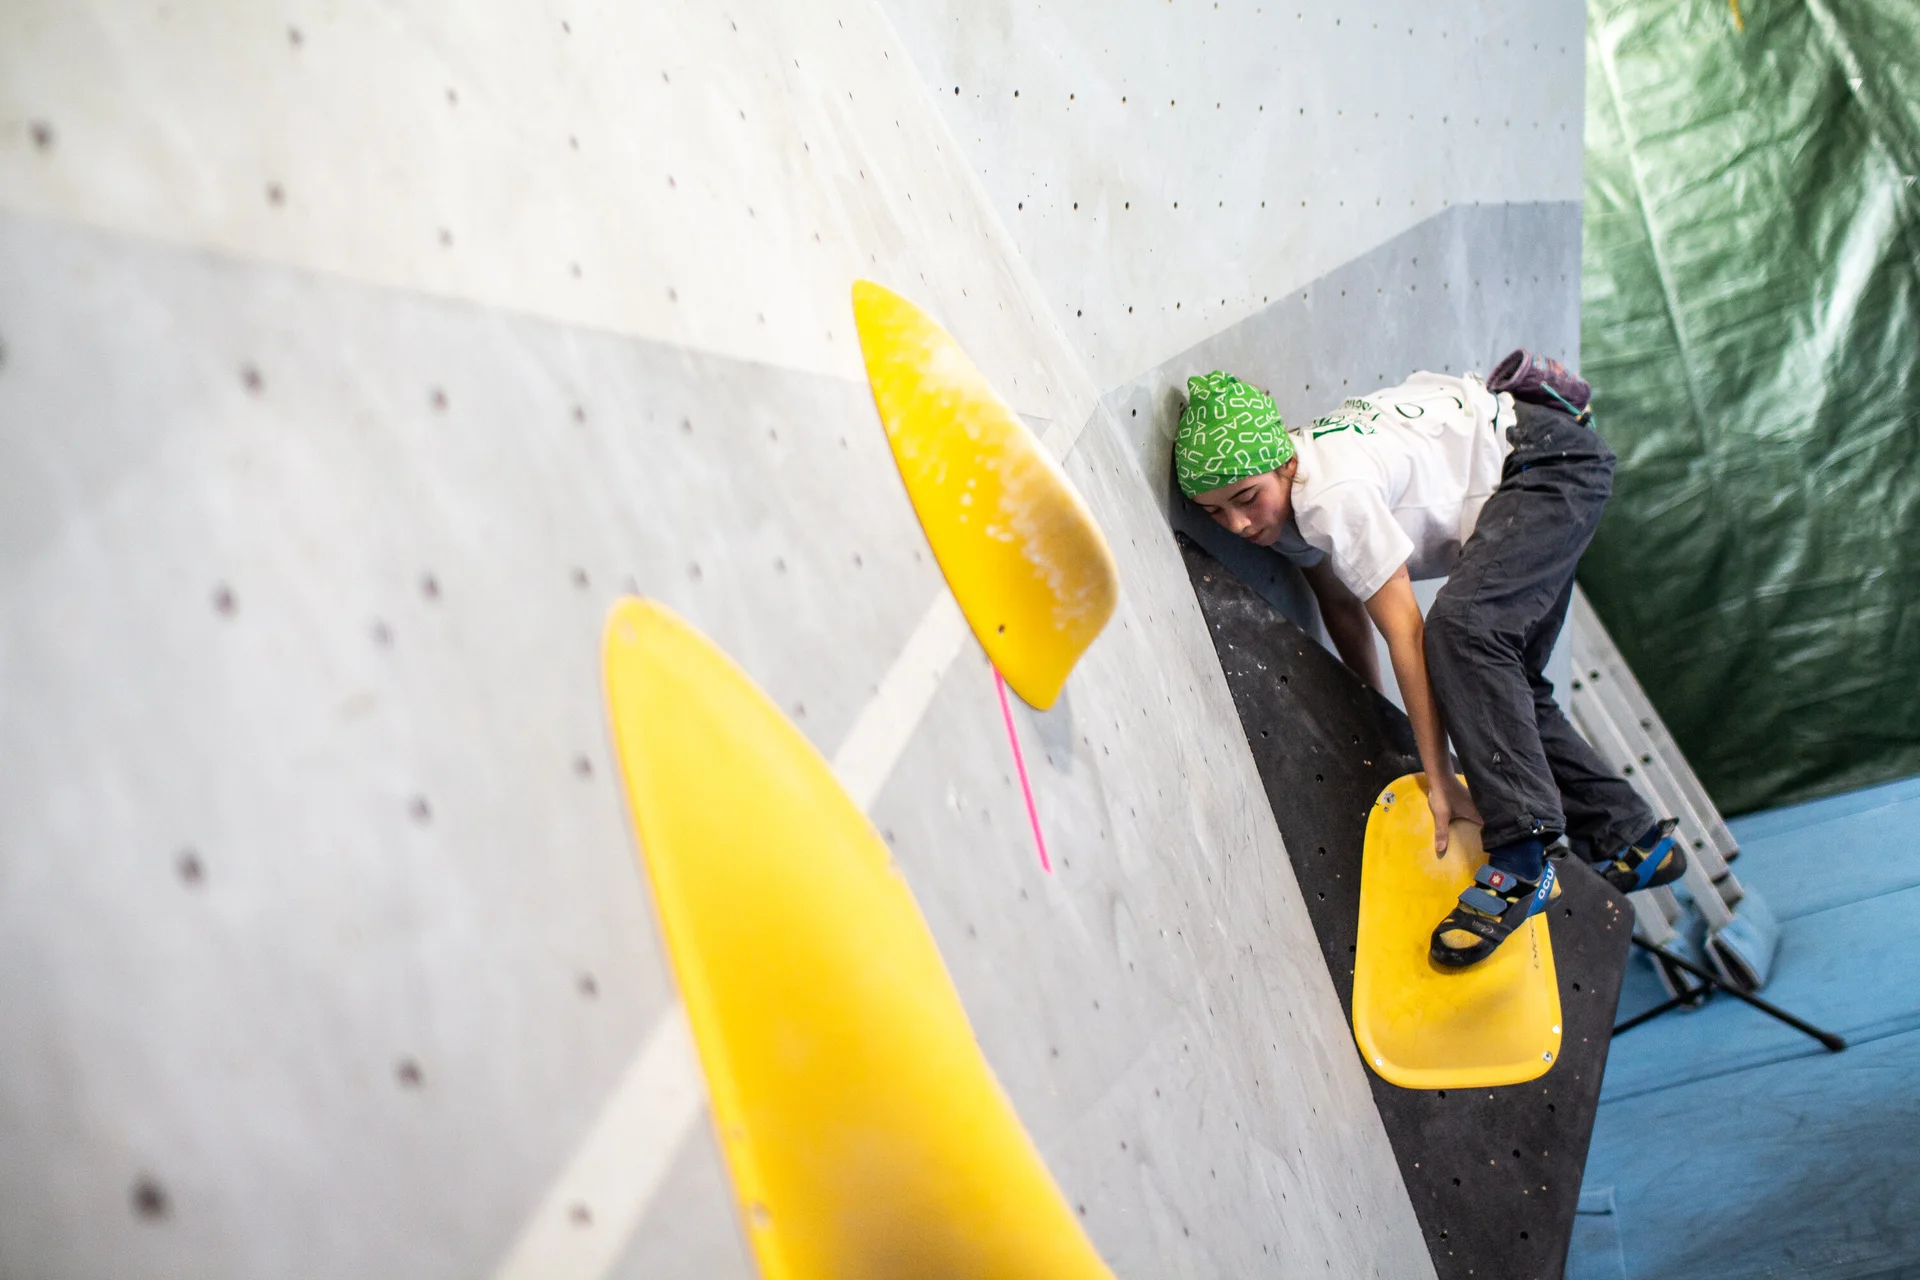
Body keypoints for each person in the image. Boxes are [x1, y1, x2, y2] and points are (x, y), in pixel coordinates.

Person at [1174, 368, 1685, 967]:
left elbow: (1406, 633)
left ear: (1283, 460)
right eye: (1213, 513)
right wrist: (1378, 715)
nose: (1238, 526)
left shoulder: (1330, 494)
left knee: (1464, 632)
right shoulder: (1286, 509)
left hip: (1550, 463)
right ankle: (1634, 838)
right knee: (1504, 678)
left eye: (1244, 499)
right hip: (1540, 458)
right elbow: (1342, 601)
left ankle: (1522, 858)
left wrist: (1438, 777)